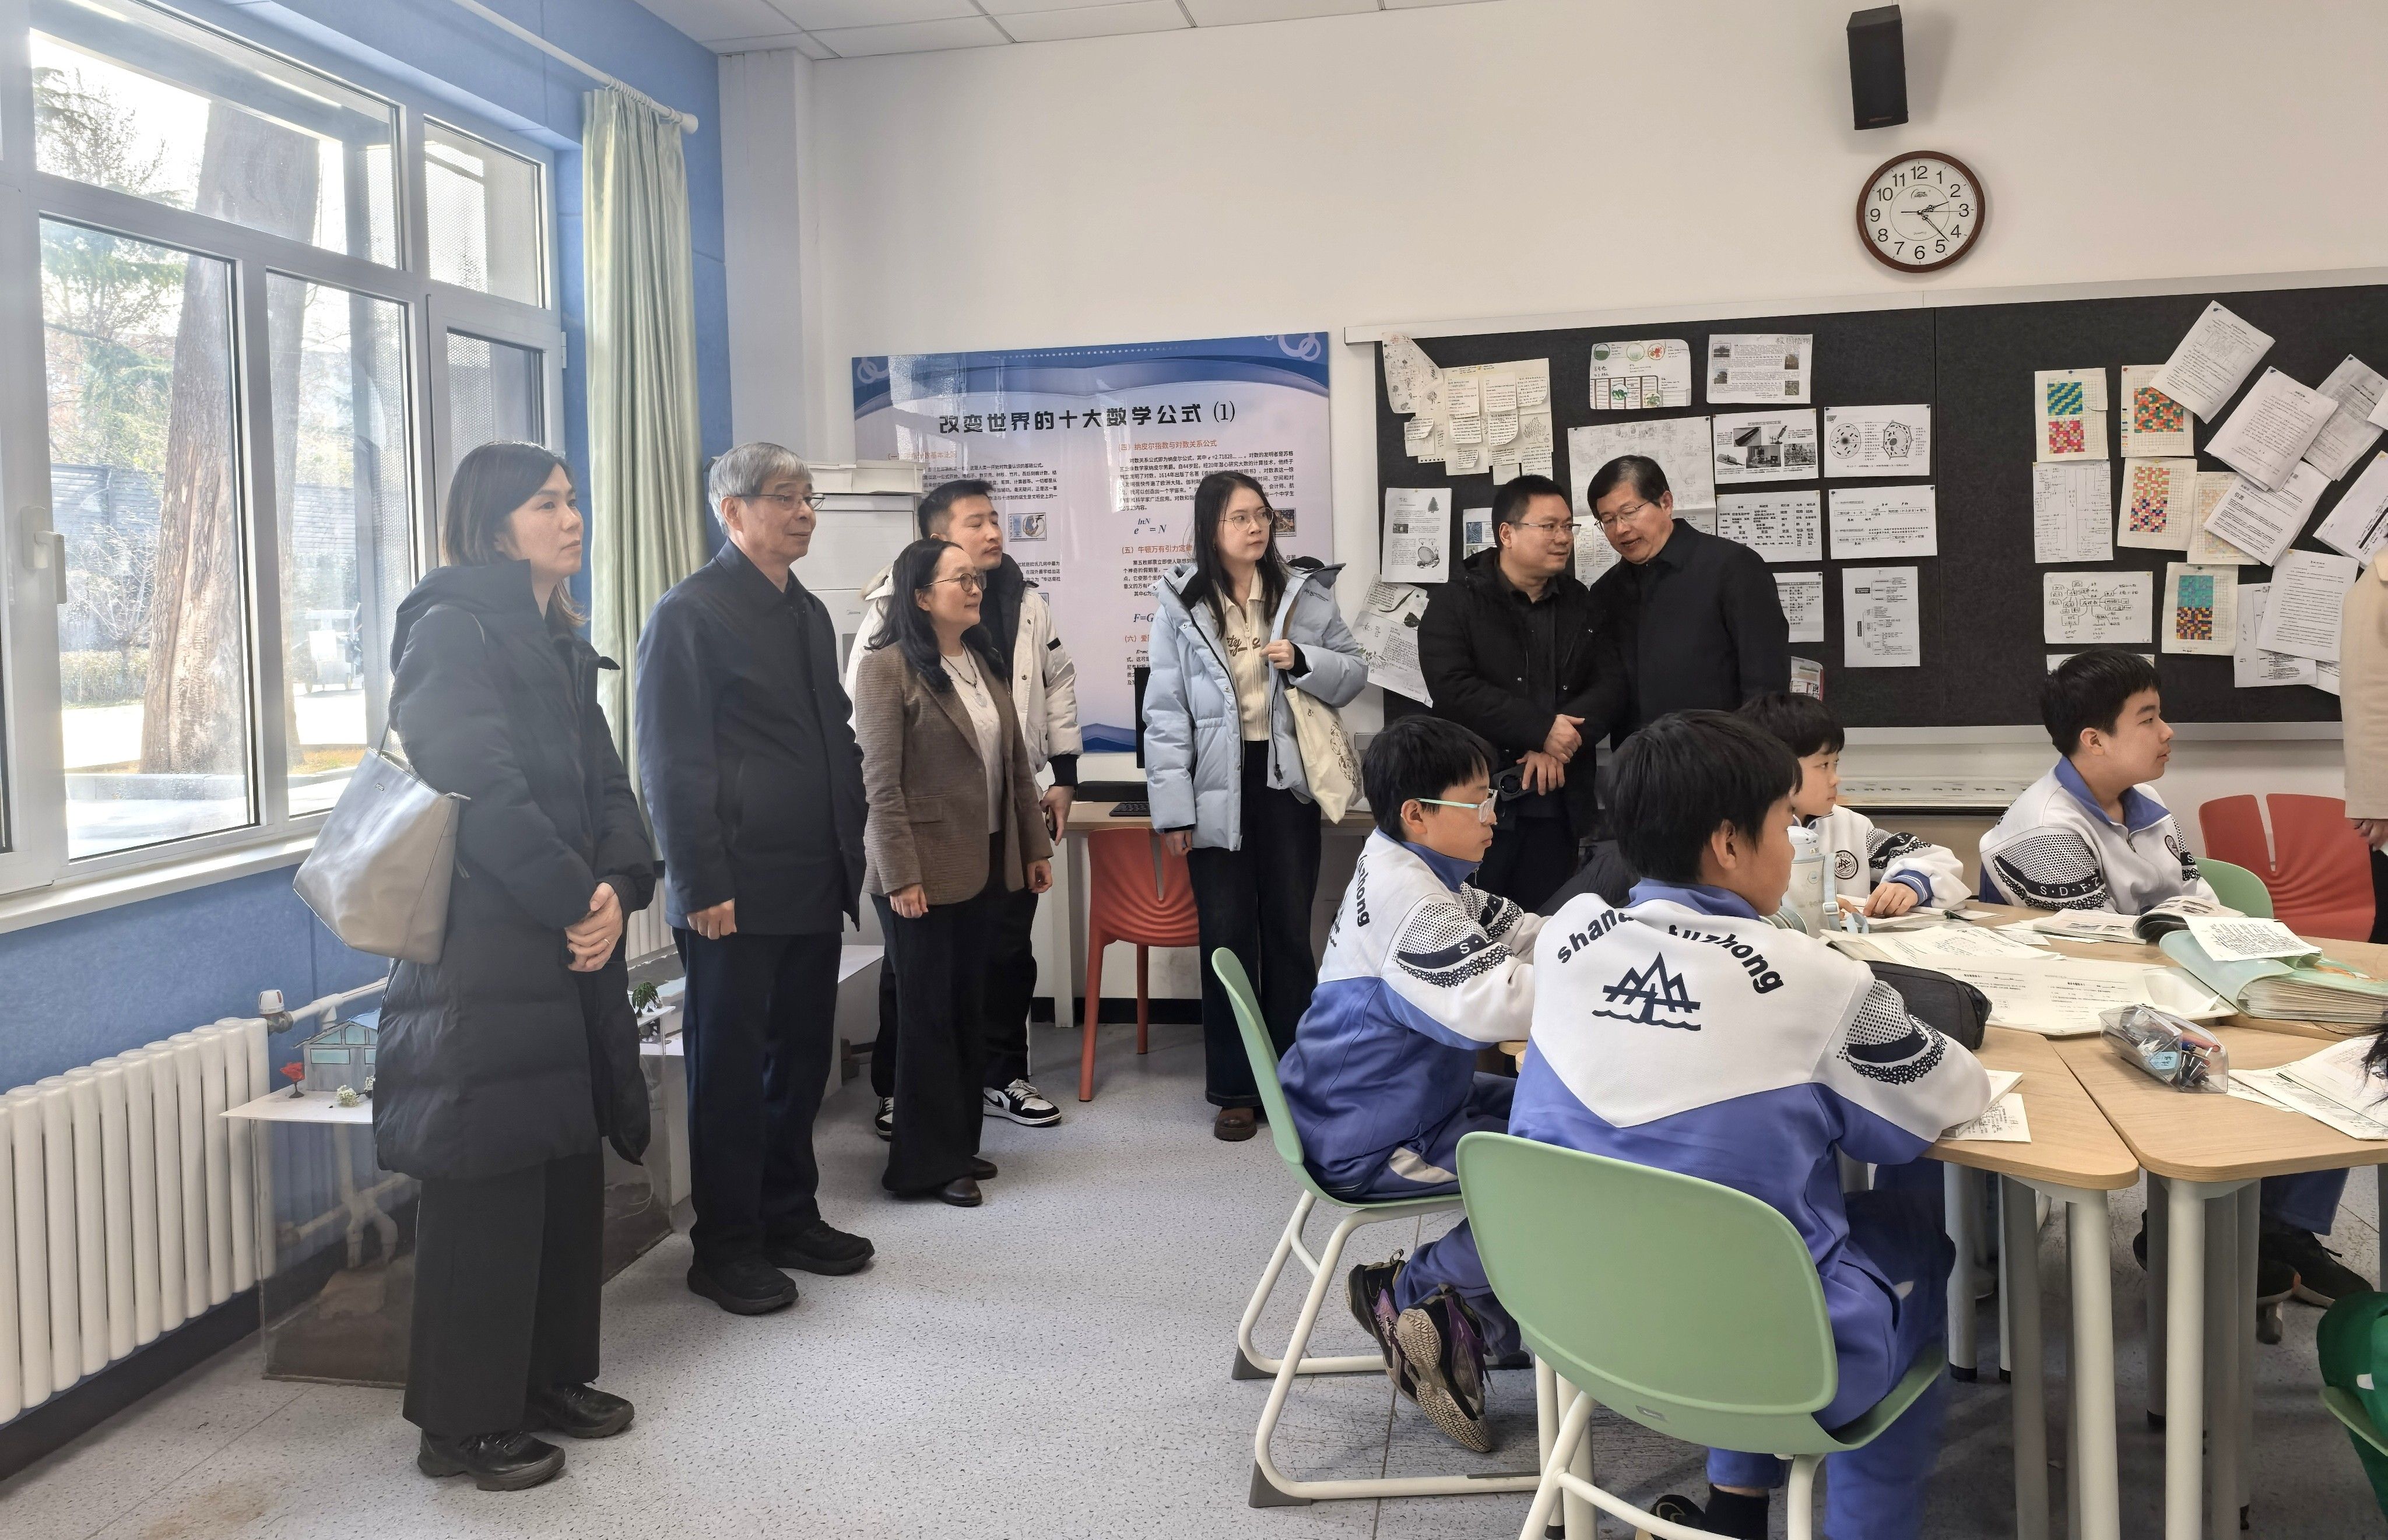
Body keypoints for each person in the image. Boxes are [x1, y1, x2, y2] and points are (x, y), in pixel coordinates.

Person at [1515, 711, 1992, 1539]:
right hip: (1766, 1354)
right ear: (1730, 843)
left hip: (1577, 1325)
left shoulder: (1566, 938)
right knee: (1910, 1232)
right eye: (1785, 824)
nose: (1796, 841)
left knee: (1735, 1202)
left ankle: (1737, 1504)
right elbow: (1950, 1095)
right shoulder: (1816, 979)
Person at [377, 442, 655, 1491]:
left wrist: (618, 888)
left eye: (573, 500)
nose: (571, 518)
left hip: (567, 940)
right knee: (486, 1181)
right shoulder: (449, 628)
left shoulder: (557, 639)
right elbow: (476, 786)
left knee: (562, 1170)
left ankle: (545, 1380)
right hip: (485, 955)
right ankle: (460, 1425)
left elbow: (610, 787)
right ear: (495, 524)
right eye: (547, 504)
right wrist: (575, 899)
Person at [1982, 649, 2365, 1307]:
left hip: (2162, 983)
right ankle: (2179, 1228)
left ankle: (2280, 1227)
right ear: (2094, 739)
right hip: (2074, 1023)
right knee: (2234, 1063)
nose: (2168, 732)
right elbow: (2098, 958)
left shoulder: (2147, 800)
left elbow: (2194, 895)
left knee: (2335, 1036)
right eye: (2148, 718)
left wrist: (2231, 939)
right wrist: (2195, 938)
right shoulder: (2044, 829)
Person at [637, 442, 873, 1317]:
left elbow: (831, 731)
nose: (805, 511)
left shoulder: (806, 610)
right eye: (785, 497)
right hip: (731, 887)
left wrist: (848, 839)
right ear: (732, 511)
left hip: (811, 874)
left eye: (810, 497)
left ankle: (788, 1215)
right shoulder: (688, 613)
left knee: (800, 1059)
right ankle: (725, 1245)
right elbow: (670, 760)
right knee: (731, 1069)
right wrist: (700, 881)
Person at [1273, 716, 1541, 1453]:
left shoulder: (1416, 867)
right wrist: (1605, 982)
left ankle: (1472, 1317)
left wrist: (1603, 943)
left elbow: (1523, 932)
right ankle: (1414, 1289)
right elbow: (1495, 1003)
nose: (1492, 816)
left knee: (1565, 1124)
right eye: (1477, 801)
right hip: (1373, 1136)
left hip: (1391, 1102)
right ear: (1417, 813)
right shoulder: (1412, 903)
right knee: (1564, 1172)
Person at [846, 479, 1080, 1137]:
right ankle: (902, 1090)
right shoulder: (888, 615)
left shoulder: (1023, 603)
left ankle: (999, 1076)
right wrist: (898, 859)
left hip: (1006, 816)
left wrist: (1064, 776)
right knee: (916, 973)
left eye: (995, 519)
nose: (993, 533)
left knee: (1004, 956)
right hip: (932, 832)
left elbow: (1057, 686)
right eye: (975, 522)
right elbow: (872, 744)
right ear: (934, 540)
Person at [1143, 470, 1368, 1141]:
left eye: (1262, 515)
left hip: (1283, 778)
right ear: (1210, 527)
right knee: (1226, 938)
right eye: (1239, 517)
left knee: (1289, 934)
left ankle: (1294, 1080)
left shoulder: (1303, 591)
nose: (1255, 527)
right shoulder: (1182, 602)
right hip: (1215, 782)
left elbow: (1353, 671)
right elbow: (1165, 712)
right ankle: (1236, 1088)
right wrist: (1173, 810)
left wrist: (1302, 659)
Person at [1417, 473, 1624, 909]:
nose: (1563, 538)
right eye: (1548, 526)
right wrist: (1541, 729)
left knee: (1545, 928)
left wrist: (1558, 745)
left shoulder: (1582, 602)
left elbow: (1610, 687)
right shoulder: (1456, 602)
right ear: (1506, 534)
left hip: (1558, 802)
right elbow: (1453, 688)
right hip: (1476, 802)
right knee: (1472, 925)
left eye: (1567, 526)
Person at [1583, 455, 1790, 738]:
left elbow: (1766, 684)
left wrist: (1752, 756)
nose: (1621, 529)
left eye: (1629, 512)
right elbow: (1607, 687)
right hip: (1638, 758)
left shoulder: (1732, 567)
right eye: (1607, 520)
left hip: (1721, 754)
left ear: (1666, 503)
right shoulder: (1606, 591)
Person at [1738, 691, 1967, 917]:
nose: (1836, 779)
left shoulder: (1852, 828)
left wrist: (1909, 885)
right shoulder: (1741, 833)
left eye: (1835, 763)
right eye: (1823, 765)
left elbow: (1939, 862)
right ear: (1774, 767)